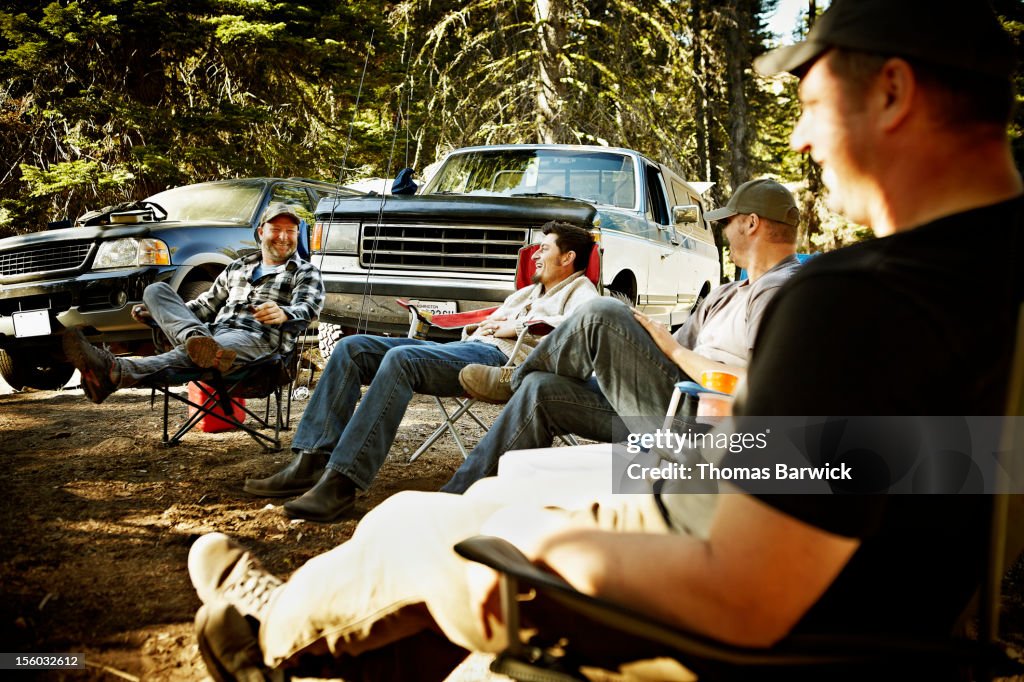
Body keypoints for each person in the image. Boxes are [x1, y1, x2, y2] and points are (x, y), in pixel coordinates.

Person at [187, 1, 1023, 679]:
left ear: (892, 91)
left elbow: (744, 595)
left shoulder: (858, 297)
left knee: (432, 523)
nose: (802, 137)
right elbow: (866, 467)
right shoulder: (979, 280)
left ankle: (273, 634)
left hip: (782, 628)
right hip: (894, 609)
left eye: (810, 104)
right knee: (489, 497)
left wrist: (547, 544)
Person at [442, 178, 802, 494]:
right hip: (667, 402)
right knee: (541, 389)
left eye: (728, 222)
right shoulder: (727, 293)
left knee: (603, 311)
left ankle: (512, 380)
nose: (723, 232)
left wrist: (673, 352)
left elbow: (764, 388)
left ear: (751, 223)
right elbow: (666, 351)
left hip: (704, 422)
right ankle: (456, 497)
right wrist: (636, 337)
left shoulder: (781, 292)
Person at [243, 220, 599, 522]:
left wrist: (513, 327)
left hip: (500, 364)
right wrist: (490, 323)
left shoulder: (581, 291)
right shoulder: (526, 292)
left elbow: (581, 326)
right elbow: (485, 322)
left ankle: (341, 484)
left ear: (567, 258)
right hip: (468, 348)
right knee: (352, 348)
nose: (535, 254)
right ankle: (311, 459)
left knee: (403, 360)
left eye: (544, 249)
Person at [63, 203, 325, 404]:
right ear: (261, 232)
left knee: (199, 351)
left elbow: (308, 308)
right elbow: (203, 306)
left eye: (291, 231)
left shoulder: (304, 272)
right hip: (214, 333)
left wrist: (284, 313)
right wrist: (158, 315)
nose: (283, 237)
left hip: (257, 342)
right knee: (155, 291)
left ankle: (114, 370)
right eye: (276, 229)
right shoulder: (238, 266)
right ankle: (198, 342)